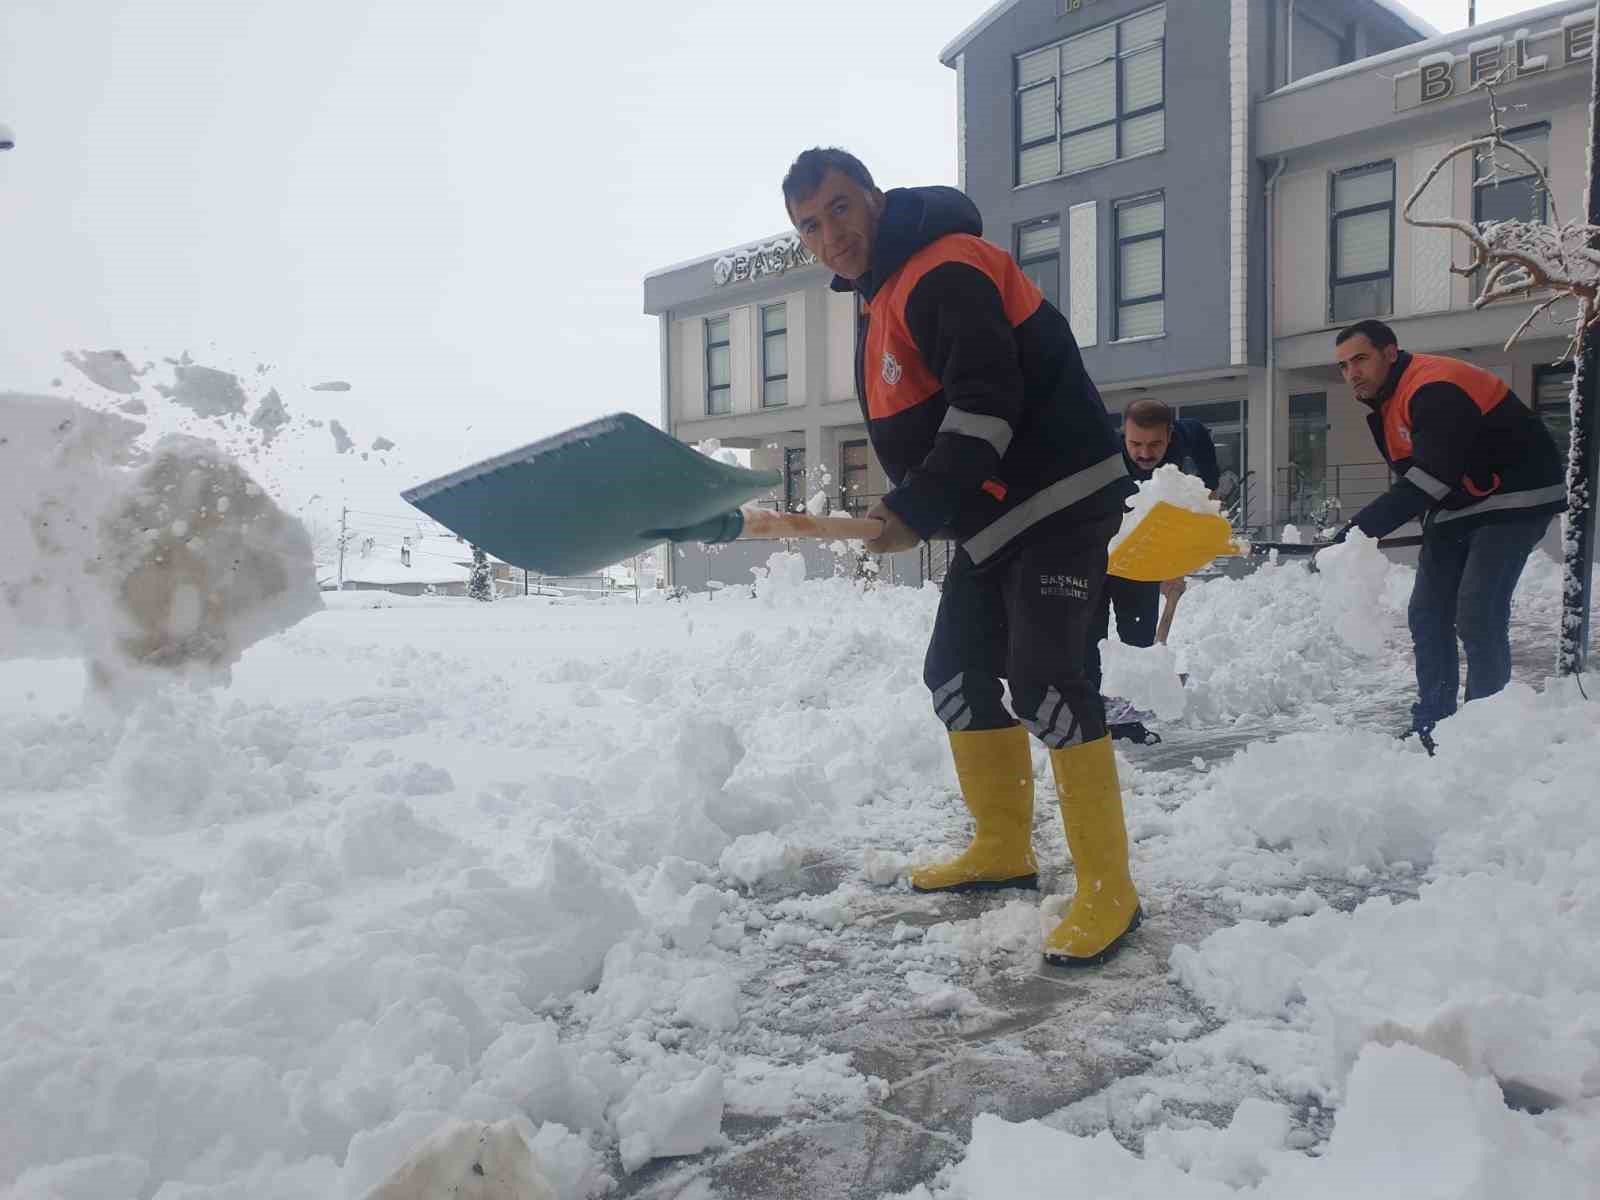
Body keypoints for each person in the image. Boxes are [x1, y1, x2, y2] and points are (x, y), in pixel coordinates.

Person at [782, 146, 1141, 966]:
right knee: (955, 674)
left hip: (1056, 498)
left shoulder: (942, 266)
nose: (829, 232)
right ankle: (1004, 846)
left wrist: (918, 506)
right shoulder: (882, 293)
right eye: (809, 223)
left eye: (839, 207)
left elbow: (988, 403)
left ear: (874, 198)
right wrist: (916, 501)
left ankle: (1109, 887)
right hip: (994, 520)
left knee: (1047, 679)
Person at [1332, 319, 1566, 753]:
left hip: (1516, 495)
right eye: (1344, 366)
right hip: (1458, 503)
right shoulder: (1392, 399)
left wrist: (1356, 532)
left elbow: (1430, 478)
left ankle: (1484, 730)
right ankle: (1433, 723)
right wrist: (1357, 535)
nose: (1352, 373)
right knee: (1426, 613)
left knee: (1476, 611)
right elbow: (1428, 479)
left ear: (1390, 352)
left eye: (1360, 359)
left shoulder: (1434, 386)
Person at [1089, 397, 1221, 744]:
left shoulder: (1187, 436)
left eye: (1154, 444)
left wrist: (1172, 563)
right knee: (1091, 638)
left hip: (1143, 559)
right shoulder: (1103, 451)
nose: (1145, 453)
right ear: (1123, 435)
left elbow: (1203, 472)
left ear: (1170, 435)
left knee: (1139, 636)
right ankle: (1090, 717)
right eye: (1135, 443)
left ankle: (1129, 719)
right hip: (1098, 551)